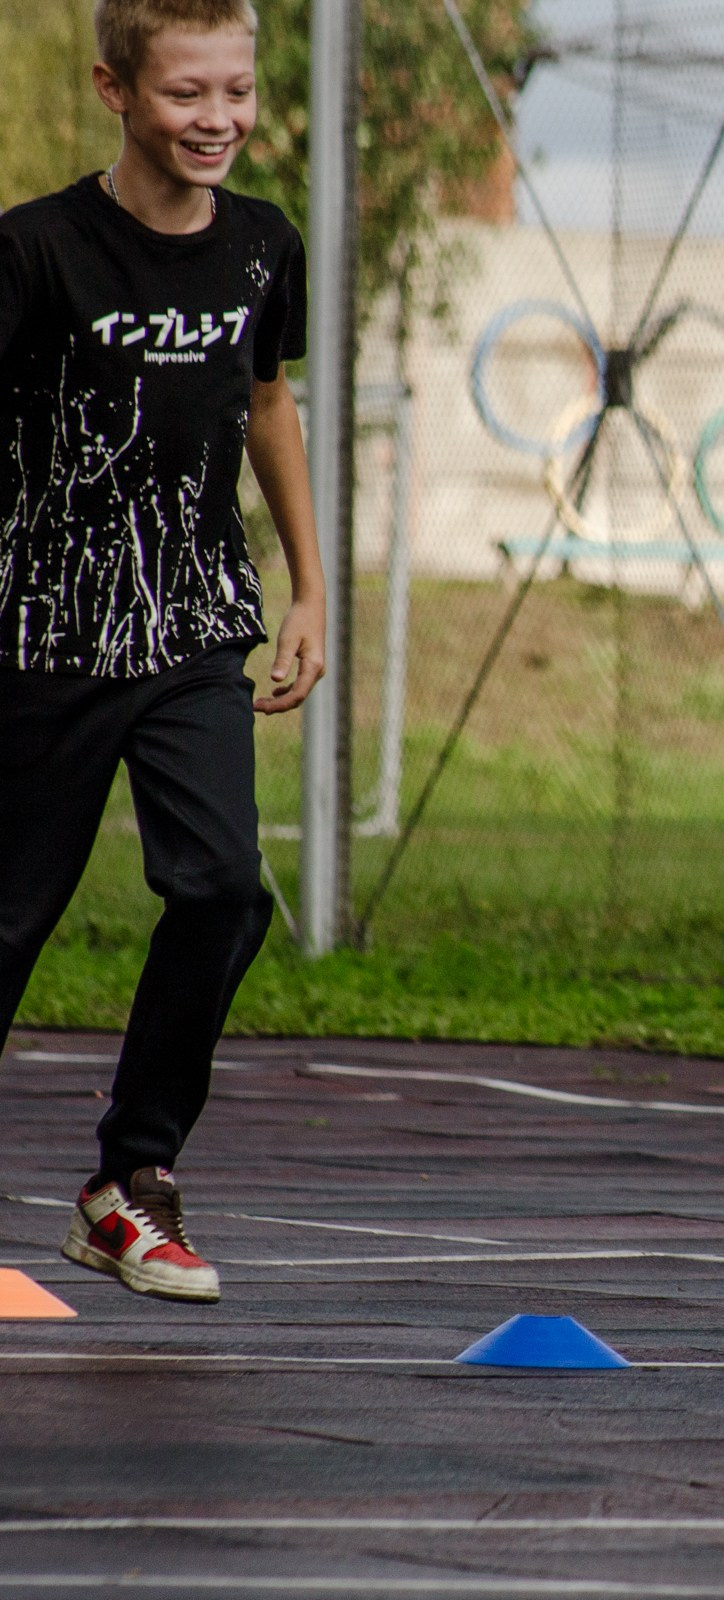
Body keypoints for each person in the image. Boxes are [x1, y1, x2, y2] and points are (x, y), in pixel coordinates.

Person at [0, 0, 322, 1304]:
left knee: (226, 889)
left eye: (236, 91)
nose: (219, 120)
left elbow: (265, 402)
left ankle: (129, 1184)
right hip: (44, 634)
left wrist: (308, 592)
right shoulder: (37, 252)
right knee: (9, 919)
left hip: (192, 627)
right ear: (115, 89)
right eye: (190, 92)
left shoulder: (259, 249)